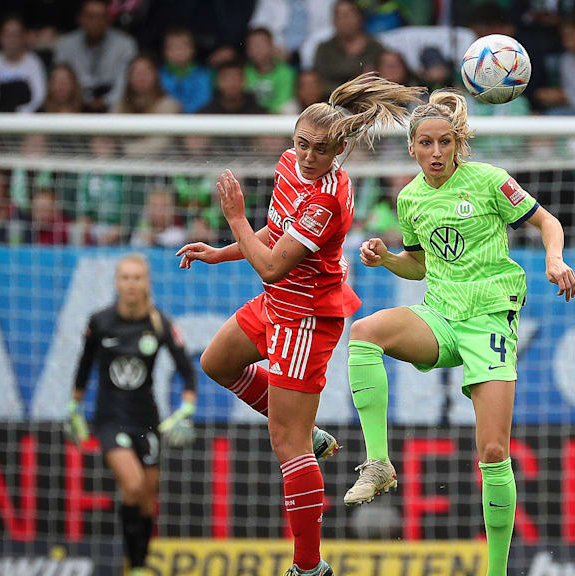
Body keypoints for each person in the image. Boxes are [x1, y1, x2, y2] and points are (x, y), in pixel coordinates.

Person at [176, 72, 422, 576]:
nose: (308, 156)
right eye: (302, 144)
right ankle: (308, 434)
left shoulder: (329, 198)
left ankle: (309, 567)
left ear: (339, 150)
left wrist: (233, 219)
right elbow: (274, 228)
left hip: (305, 317)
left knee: (283, 443)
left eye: (321, 149)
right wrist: (222, 252)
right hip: (276, 302)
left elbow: (272, 262)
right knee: (215, 361)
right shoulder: (289, 165)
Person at [342, 91, 575, 576]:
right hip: (440, 316)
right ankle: (380, 464)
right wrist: (386, 258)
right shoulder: (409, 199)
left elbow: (547, 221)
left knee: (493, 451)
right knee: (365, 331)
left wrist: (554, 259)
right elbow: (419, 264)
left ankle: (495, 572)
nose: (435, 152)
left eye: (444, 142)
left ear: (458, 143)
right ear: (411, 148)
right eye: (425, 143)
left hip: (490, 320)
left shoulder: (489, 181)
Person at [65, 254, 197, 576]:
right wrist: (74, 407)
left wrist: (186, 408)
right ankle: (133, 565)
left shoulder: (159, 323)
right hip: (109, 419)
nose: (131, 283)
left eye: (137, 277)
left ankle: (136, 566)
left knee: (146, 498)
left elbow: (187, 372)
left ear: (147, 283)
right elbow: (83, 367)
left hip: (147, 419)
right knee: (134, 485)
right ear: (116, 283)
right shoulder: (99, 322)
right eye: (125, 277)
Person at [54, 0, 137, 112]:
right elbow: (59, 82)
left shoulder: (125, 44)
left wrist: (106, 100)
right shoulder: (65, 44)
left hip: (113, 102)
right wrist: (82, 100)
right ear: (80, 18)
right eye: (90, 16)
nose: (95, 22)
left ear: (108, 20)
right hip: (75, 101)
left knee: (121, 109)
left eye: (100, 17)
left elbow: (124, 82)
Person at [312, 0, 384, 94]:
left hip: (368, 99)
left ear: (359, 17)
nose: (344, 21)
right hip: (331, 101)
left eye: (347, 15)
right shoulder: (324, 49)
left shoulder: (375, 48)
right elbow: (318, 82)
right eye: (339, 16)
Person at [0, 15, 47, 114]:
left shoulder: (34, 62)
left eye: (16, 34)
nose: (12, 39)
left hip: (27, 121)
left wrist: (19, 115)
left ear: (24, 37)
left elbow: (39, 97)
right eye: (7, 34)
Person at [159, 27, 213, 115]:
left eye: (183, 47)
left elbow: (203, 102)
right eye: (173, 47)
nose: (178, 51)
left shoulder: (203, 75)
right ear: (165, 51)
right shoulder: (158, 75)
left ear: (192, 50)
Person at [245, 27, 297, 114]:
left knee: (290, 107)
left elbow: (283, 103)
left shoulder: (286, 72)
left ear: (272, 46)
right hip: (249, 118)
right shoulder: (243, 72)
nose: (257, 49)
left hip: (276, 120)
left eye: (261, 44)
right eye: (253, 45)